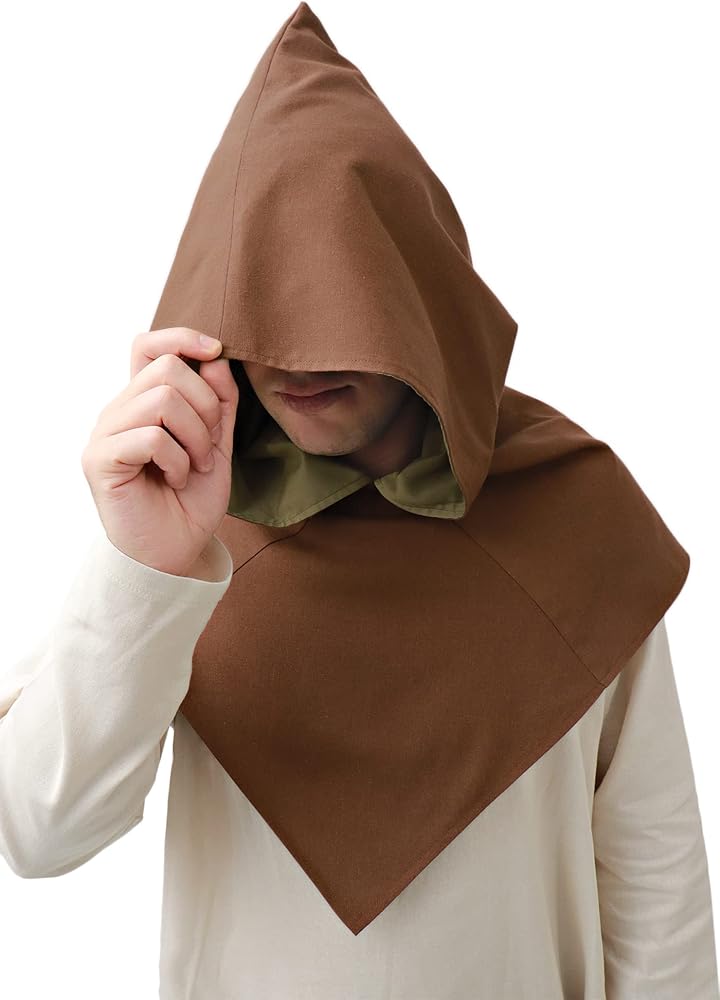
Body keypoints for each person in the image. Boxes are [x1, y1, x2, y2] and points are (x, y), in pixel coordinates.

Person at [2, 3, 719, 998]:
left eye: (339, 296)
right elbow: (38, 829)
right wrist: (140, 563)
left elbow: (658, 897)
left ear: (413, 289)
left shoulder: (571, 512)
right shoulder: (191, 523)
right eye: (267, 300)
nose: (298, 358)